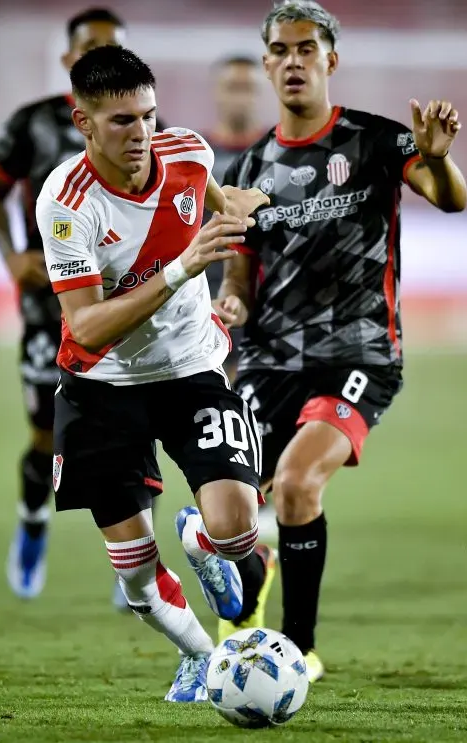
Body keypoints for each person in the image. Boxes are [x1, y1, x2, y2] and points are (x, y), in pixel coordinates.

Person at [214, 0, 467, 682]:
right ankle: (238, 622)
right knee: (226, 506)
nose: (293, 61)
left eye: (306, 49)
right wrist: (230, 299)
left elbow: (451, 198)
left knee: (296, 483)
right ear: (266, 63)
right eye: (280, 50)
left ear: (331, 59)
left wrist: (439, 161)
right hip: (269, 360)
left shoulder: (377, 141)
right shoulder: (246, 171)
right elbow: (240, 269)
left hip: (359, 353)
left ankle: (296, 649)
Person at [36, 45, 273, 701]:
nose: (141, 133)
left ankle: (200, 537)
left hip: (192, 368)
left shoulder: (190, 153)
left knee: (237, 528)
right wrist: (180, 270)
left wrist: (237, 236)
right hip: (101, 387)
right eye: (120, 122)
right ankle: (202, 658)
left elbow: (222, 210)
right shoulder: (66, 204)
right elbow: (84, 327)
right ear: (83, 123)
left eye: (147, 115)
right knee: (136, 577)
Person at [0, 8, 162, 609]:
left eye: (114, 47)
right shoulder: (33, 123)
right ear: (67, 60)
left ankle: (133, 561)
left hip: (127, 306)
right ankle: (33, 519)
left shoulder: (144, 125)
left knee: (137, 426)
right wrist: (9, 254)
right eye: (91, 47)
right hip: (48, 305)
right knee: (41, 435)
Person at [198, 54, 279, 543]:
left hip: (264, 300)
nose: (240, 94)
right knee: (207, 405)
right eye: (231, 85)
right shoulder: (195, 155)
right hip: (201, 298)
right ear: (217, 91)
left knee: (259, 398)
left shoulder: (277, 154)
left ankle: (254, 499)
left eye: (248, 86)